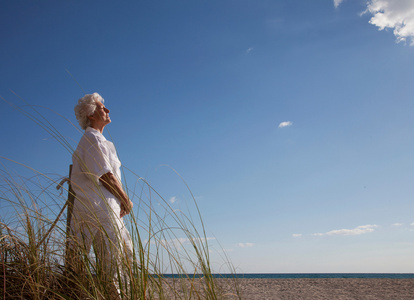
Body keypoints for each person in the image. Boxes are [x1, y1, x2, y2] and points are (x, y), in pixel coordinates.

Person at [68, 92, 133, 295]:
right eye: (101, 107)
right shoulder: (92, 140)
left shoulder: (98, 140)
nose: (107, 109)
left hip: (106, 211)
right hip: (99, 212)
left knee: (122, 262)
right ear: (90, 115)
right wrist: (127, 201)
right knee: (113, 269)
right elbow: (106, 175)